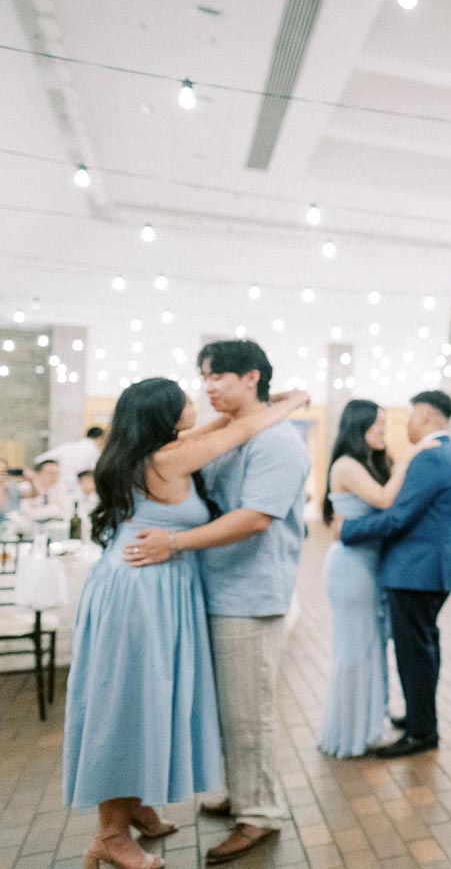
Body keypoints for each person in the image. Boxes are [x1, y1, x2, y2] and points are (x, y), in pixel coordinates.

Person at [63, 378, 308, 869]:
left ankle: (135, 809)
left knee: (143, 698)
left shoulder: (157, 450)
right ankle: (110, 835)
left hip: (147, 586)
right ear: (167, 417)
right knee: (127, 705)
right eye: (188, 400)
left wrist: (260, 404)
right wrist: (297, 402)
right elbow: (235, 434)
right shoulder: (166, 460)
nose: (200, 402)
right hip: (140, 589)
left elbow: (222, 426)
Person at [124, 340, 310, 865]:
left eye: (218, 376)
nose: (207, 386)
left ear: (252, 378)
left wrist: (174, 542)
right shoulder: (231, 433)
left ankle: (260, 814)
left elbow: (255, 518)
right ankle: (242, 791)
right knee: (230, 709)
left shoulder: (276, 442)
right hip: (217, 590)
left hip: (250, 596)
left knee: (249, 713)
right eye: (202, 376)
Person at [339, 390, 451, 758]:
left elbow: (398, 517)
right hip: (429, 569)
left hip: (415, 571)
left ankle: (422, 731)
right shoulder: (446, 452)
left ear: (425, 416)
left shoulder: (429, 457)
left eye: (409, 417)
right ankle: (418, 718)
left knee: (415, 654)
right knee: (424, 649)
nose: (405, 426)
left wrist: (346, 530)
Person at [317, 400, 435, 757]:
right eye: (378, 423)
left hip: (368, 565)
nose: (384, 429)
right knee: (356, 650)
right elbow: (385, 500)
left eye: (385, 422)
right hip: (351, 569)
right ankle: (351, 733)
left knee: (370, 648)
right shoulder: (347, 465)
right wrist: (413, 455)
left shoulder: (368, 462)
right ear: (359, 425)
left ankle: (368, 727)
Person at [36, 426, 104, 495]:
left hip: (60, 485)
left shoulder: (67, 446)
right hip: (78, 489)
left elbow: (39, 459)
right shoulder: (94, 451)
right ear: (100, 438)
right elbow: (97, 472)